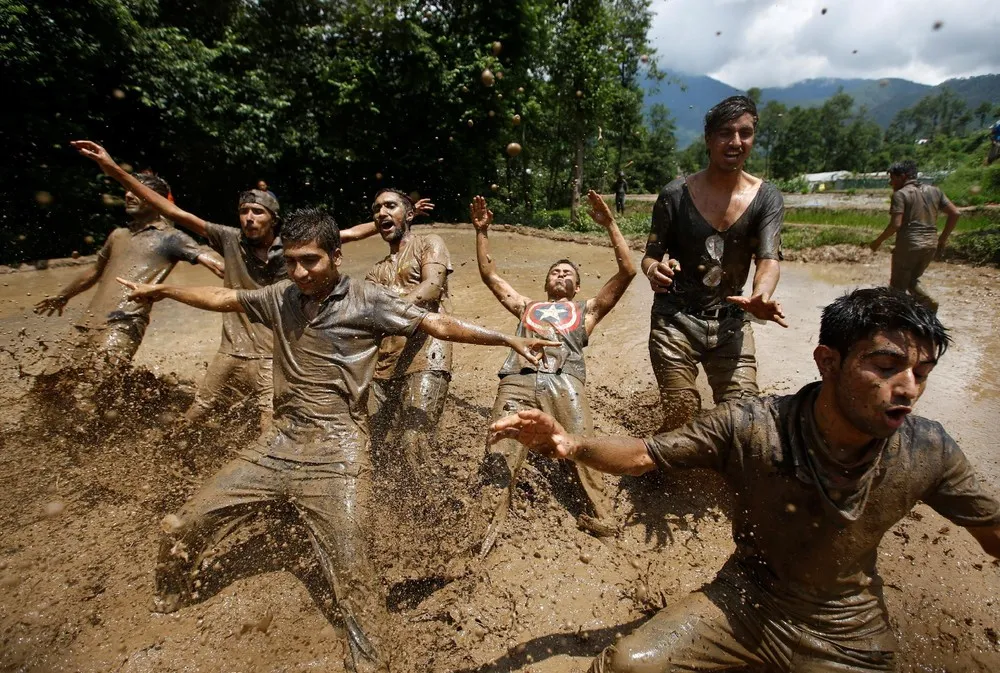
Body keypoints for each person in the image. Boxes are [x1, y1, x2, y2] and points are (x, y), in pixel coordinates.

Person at [117, 208, 556, 673]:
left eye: (311, 261)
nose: (301, 272)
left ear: (336, 256)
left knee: (352, 572)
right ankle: (172, 592)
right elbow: (224, 296)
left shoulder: (369, 299)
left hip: (339, 453)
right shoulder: (280, 296)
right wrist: (162, 289)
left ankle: (371, 661)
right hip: (277, 445)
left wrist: (509, 339)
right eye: (292, 262)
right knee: (179, 526)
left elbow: (439, 325)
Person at [491, 287, 1000, 673]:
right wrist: (570, 444)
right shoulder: (750, 426)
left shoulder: (928, 449)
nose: (908, 388)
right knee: (628, 664)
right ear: (828, 361)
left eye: (923, 372)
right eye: (887, 367)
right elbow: (644, 455)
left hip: (846, 627)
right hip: (746, 601)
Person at [70, 141, 430, 433]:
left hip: (272, 354)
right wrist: (116, 172)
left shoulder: (291, 250)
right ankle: (166, 464)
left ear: (273, 220)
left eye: (257, 213)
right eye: (244, 211)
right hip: (230, 350)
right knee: (195, 414)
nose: (248, 218)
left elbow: (345, 235)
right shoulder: (228, 239)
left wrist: (397, 216)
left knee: (270, 424)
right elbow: (177, 215)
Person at [473, 190, 636, 555]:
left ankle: (604, 520)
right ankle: (483, 529)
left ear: (577, 287)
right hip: (518, 378)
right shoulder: (526, 306)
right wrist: (482, 231)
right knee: (499, 449)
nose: (561, 274)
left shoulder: (587, 310)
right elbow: (490, 276)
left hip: (567, 381)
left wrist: (610, 224)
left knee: (583, 447)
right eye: (555, 271)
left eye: (568, 273)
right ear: (547, 283)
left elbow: (628, 270)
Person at [642, 95, 786, 433]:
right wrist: (653, 270)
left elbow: (768, 259)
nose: (735, 142)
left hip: (732, 323)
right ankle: (663, 474)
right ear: (708, 139)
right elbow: (650, 254)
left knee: (745, 418)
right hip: (675, 320)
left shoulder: (767, 197)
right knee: (682, 410)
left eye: (745, 133)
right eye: (725, 133)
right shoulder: (674, 195)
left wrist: (760, 295)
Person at [33, 164, 222, 375]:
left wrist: (244, 274)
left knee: (97, 384)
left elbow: (210, 260)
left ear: (156, 200)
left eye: (136, 192)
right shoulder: (118, 235)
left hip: (125, 322)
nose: (129, 195)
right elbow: (95, 272)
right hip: (87, 322)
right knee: (50, 381)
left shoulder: (170, 237)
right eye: (128, 191)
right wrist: (64, 296)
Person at [362, 188, 451, 488]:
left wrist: (390, 310)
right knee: (372, 444)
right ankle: (389, 513)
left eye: (390, 206)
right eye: (376, 209)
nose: (381, 213)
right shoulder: (375, 271)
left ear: (409, 214)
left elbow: (432, 286)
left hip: (426, 355)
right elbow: (366, 316)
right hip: (383, 364)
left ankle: (444, 515)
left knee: (414, 443)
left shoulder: (430, 243)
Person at [869, 160, 960, 313]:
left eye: (892, 178)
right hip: (930, 245)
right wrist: (942, 240)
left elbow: (895, 225)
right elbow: (955, 213)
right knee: (911, 281)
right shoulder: (935, 191)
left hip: (909, 246)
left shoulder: (901, 194)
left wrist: (877, 241)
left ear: (903, 176)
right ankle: (923, 308)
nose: (890, 182)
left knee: (897, 288)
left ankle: (904, 318)